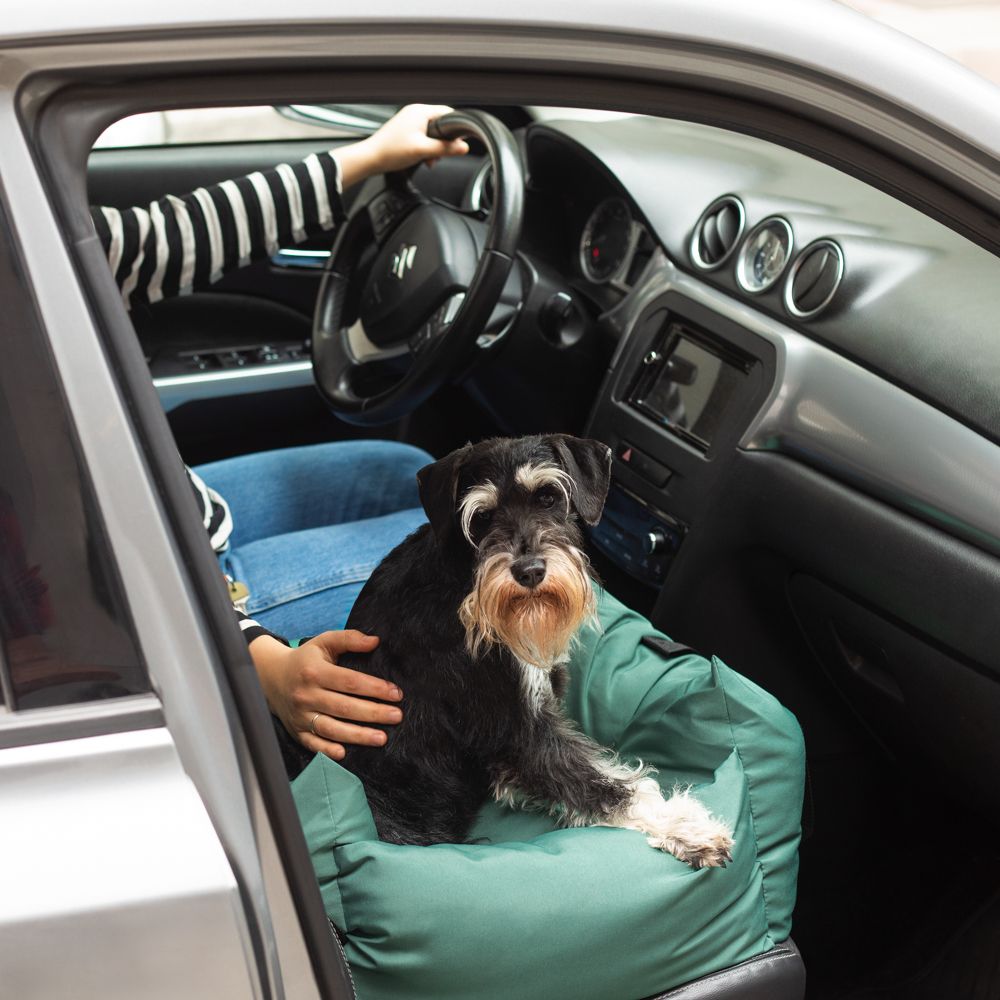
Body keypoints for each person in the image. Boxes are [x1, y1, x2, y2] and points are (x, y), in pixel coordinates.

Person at [93, 104, 469, 761]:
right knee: (481, 555)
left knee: (404, 472)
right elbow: (69, 569)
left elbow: (157, 242)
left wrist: (369, 156)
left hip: (157, 511)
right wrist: (255, 659)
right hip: (152, 601)